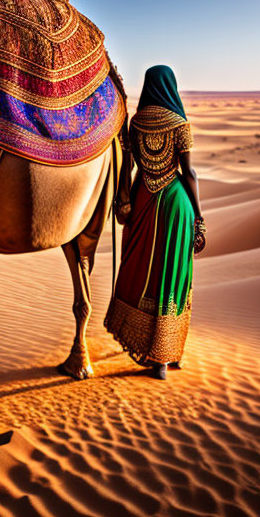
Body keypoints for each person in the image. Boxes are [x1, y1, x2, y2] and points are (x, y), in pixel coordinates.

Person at [104, 65, 206, 379]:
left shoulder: (136, 123)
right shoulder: (180, 124)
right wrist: (199, 218)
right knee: (173, 275)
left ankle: (158, 355)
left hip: (144, 199)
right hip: (176, 205)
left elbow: (128, 167)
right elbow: (188, 173)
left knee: (142, 272)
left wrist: (124, 200)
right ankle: (167, 356)